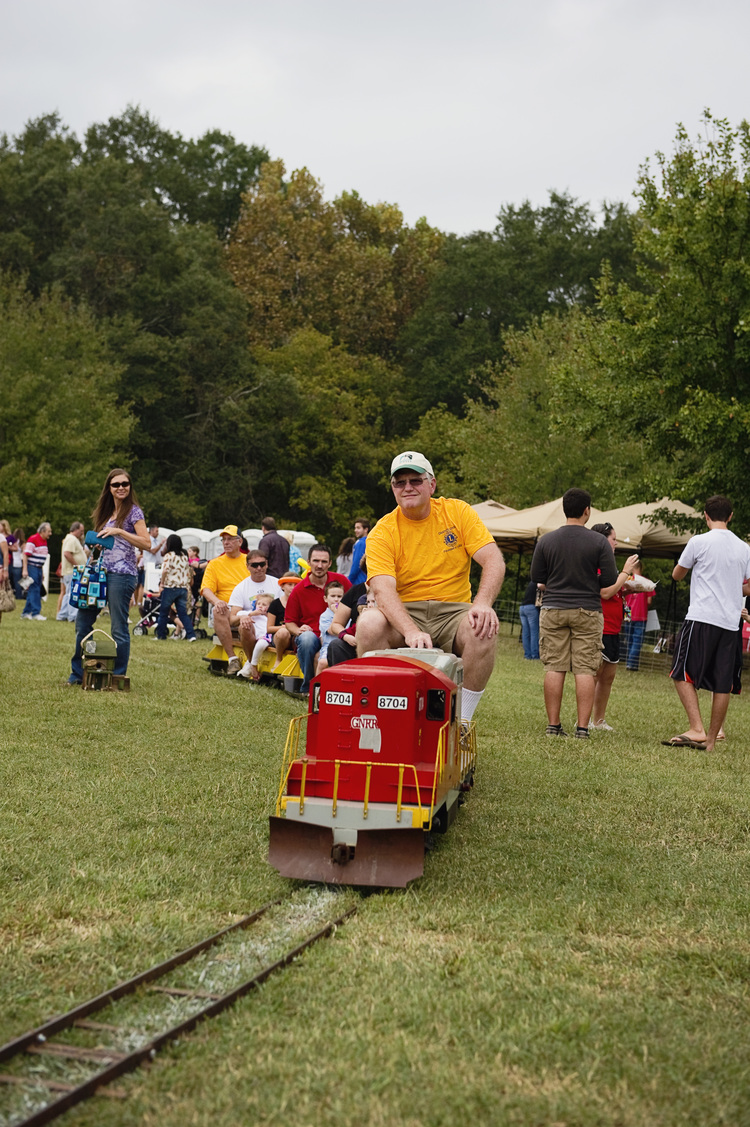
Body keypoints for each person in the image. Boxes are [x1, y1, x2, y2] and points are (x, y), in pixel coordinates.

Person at [356, 451, 505, 724]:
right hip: (405, 610)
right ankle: (380, 714)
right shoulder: (382, 530)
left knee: (482, 627)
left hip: (454, 610)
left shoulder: (457, 512)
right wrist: (410, 630)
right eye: (400, 483)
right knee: (368, 624)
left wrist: (482, 604)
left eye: (416, 480)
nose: (408, 487)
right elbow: (382, 588)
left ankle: (462, 721)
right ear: (392, 488)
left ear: (432, 484)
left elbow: (493, 559)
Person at [663, 495, 750, 752]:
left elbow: (677, 575)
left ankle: (697, 728)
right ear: (731, 516)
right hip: (730, 623)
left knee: (680, 672)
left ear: (705, 515)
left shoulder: (698, 541)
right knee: (723, 682)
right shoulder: (744, 547)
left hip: (701, 617)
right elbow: (748, 585)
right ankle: (711, 741)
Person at [529, 488, 619, 738]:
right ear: (586, 510)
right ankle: (581, 728)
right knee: (585, 669)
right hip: (587, 610)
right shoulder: (599, 541)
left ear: (564, 510)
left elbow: (536, 577)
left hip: (553, 609)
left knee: (554, 667)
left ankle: (553, 726)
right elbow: (609, 579)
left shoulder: (546, 540)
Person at [68, 469, 151, 685]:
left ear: (130, 486)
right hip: (98, 575)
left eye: (125, 483)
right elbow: (103, 545)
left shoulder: (134, 512)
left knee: (118, 627)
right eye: (116, 484)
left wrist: (120, 532)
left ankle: (117, 677)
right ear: (109, 488)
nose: (121, 487)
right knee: (83, 624)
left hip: (122, 576)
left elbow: (146, 543)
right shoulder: (104, 513)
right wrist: (95, 545)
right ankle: (78, 674)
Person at [275, 544, 351, 695]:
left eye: (324, 562)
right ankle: (309, 688)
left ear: (330, 563)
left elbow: (355, 605)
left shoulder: (341, 582)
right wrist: (298, 630)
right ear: (308, 562)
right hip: (312, 636)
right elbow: (289, 622)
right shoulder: (299, 590)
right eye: (316, 561)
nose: (319, 565)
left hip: (336, 633)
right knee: (307, 639)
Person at [589, 523, 640, 731]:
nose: (616, 543)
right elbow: (604, 593)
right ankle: (583, 719)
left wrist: (626, 589)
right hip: (599, 626)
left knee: (608, 676)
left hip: (613, 627)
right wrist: (626, 573)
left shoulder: (608, 563)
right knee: (594, 675)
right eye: (614, 538)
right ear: (602, 540)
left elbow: (614, 591)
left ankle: (599, 720)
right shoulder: (595, 562)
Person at [199, 525, 250, 675]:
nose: (226, 543)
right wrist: (217, 601)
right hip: (228, 610)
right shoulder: (214, 564)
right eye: (224, 540)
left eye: (230, 539)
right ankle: (232, 658)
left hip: (250, 608)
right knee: (218, 610)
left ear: (240, 542)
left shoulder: (250, 561)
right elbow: (206, 589)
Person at [155, 534, 197, 642]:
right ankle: (191, 635)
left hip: (170, 587)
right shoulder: (184, 556)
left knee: (164, 612)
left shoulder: (169, 555)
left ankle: (161, 635)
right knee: (182, 613)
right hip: (182, 587)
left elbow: (165, 571)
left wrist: (162, 584)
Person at [622, 559, 655, 671]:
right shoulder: (647, 582)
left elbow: (622, 597)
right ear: (641, 568)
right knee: (637, 639)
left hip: (628, 612)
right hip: (641, 614)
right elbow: (649, 601)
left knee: (629, 639)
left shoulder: (626, 581)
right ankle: (632, 663)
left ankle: (630, 662)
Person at [236, 591, 275, 680]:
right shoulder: (252, 614)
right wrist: (250, 614)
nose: (260, 606)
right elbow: (238, 614)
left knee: (261, 644)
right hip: (253, 638)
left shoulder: (270, 617)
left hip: (265, 638)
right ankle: (250, 665)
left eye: (264, 604)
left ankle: (252, 665)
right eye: (258, 603)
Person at [21, 522, 52, 621]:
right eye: (48, 531)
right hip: (32, 567)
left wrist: (42, 572)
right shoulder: (33, 539)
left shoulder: (44, 541)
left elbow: (41, 558)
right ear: (42, 531)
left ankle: (26, 612)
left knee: (33, 590)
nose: (50, 533)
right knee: (35, 590)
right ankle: (35, 612)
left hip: (38, 568)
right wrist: (25, 569)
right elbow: (26, 554)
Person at [57, 522, 87, 621]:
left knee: (68, 593)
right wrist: (77, 565)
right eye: (81, 531)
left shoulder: (71, 539)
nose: (82, 534)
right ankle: (73, 616)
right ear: (76, 529)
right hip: (72, 571)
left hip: (70, 571)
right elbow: (67, 553)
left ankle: (63, 614)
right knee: (73, 593)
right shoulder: (71, 539)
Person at [316, 581, 345, 674]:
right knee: (323, 663)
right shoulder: (325, 616)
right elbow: (332, 631)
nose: (336, 599)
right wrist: (337, 614)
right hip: (328, 646)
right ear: (325, 598)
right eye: (333, 596)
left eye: (339, 596)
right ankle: (317, 685)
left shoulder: (347, 614)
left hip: (344, 646)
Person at [519, 580, 541, 660]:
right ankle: (535, 655)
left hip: (522, 607)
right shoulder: (539, 582)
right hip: (531, 608)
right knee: (534, 632)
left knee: (525, 633)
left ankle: (527, 655)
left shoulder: (531, 582)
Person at [348, 518, 370, 585]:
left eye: (358, 528)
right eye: (355, 528)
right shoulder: (370, 541)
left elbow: (356, 564)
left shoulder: (361, 543)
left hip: (359, 580)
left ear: (366, 529)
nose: (355, 530)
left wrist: (349, 580)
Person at [9, 528, 25, 597]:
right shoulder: (22, 543)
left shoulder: (12, 542)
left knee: (10, 581)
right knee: (17, 582)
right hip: (18, 564)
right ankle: (19, 595)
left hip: (11, 562)